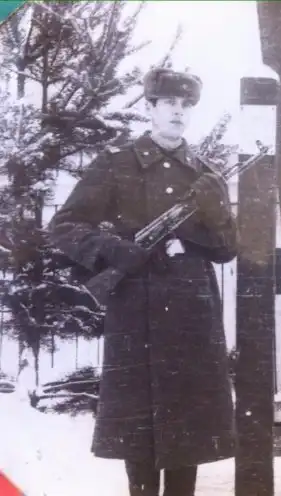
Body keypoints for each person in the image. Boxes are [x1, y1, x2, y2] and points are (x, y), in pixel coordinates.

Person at [47, 68, 237, 496]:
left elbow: (227, 249)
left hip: (191, 314)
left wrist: (217, 215)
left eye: (186, 104)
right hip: (136, 310)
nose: (178, 112)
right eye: (169, 103)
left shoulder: (206, 175)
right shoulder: (117, 164)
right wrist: (115, 250)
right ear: (150, 108)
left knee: (188, 430)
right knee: (138, 430)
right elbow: (65, 226)